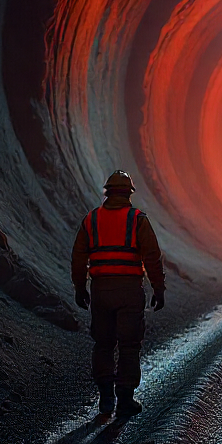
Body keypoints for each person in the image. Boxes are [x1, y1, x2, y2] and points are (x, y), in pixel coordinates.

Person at [72, 170, 165, 417]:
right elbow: (152, 257)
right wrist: (158, 288)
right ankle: (125, 399)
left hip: (100, 290)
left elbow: (79, 257)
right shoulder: (138, 220)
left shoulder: (91, 219)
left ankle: (105, 397)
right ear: (128, 194)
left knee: (103, 343)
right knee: (129, 345)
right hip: (129, 291)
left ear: (108, 192)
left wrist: (80, 288)